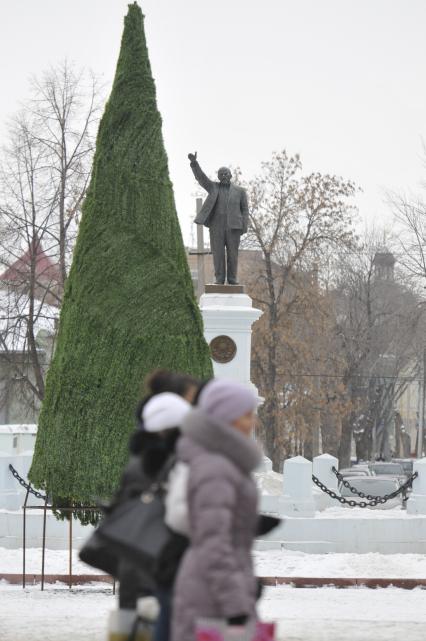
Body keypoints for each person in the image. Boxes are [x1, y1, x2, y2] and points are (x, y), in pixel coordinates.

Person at [172, 379, 262, 641]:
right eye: (246, 415)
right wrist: (236, 605)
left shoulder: (223, 462)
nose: (252, 423)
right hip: (213, 599)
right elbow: (213, 544)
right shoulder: (217, 468)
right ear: (227, 419)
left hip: (214, 590)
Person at [114, 370, 200, 613]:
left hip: (149, 566)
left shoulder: (150, 454)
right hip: (157, 566)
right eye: (191, 400)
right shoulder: (161, 460)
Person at [188, 152, 249, 285]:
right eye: (221, 174)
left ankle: (232, 279)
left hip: (234, 227)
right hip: (216, 227)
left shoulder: (240, 191)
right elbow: (201, 178)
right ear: (218, 177)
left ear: (231, 175)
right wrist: (194, 164)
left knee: (233, 254)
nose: (224, 176)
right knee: (218, 254)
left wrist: (244, 226)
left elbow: (245, 209)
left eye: (226, 173)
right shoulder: (213, 187)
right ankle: (219, 279)